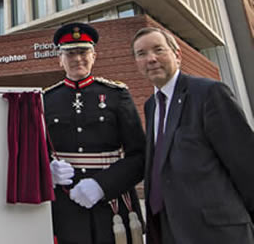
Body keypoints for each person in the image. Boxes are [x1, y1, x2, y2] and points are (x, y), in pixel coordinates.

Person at [132, 26, 254, 244]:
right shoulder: (151, 106)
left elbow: (246, 164)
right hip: (169, 229)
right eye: (141, 54)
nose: (150, 59)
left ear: (177, 55)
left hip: (217, 233)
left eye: (158, 50)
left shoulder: (209, 93)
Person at [44, 22, 145, 244]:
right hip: (65, 203)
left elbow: (140, 156)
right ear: (59, 59)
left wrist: (102, 185)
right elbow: (36, 151)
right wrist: (46, 172)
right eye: (70, 53)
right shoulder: (46, 99)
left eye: (83, 52)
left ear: (94, 56)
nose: (77, 58)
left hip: (112, 203)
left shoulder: (117, 95)